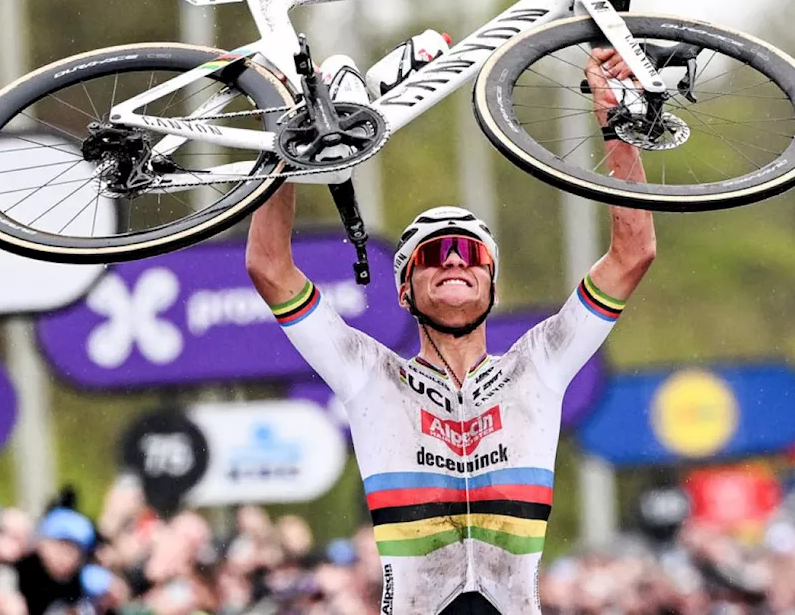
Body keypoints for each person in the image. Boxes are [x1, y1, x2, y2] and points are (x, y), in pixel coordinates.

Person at [246, 48, 656, 614]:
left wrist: (616, 119)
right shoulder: (371, 375)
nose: (455, 261)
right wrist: (284, 140)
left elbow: (633, 253)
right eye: (435, 254)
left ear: (492, 281)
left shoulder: (538, 364)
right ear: (404, 290)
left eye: (470, 253)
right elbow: (270, 269)